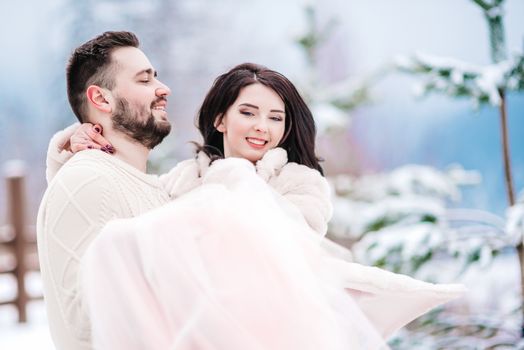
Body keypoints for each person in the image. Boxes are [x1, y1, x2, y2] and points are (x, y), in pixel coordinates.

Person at [47, 63, 466, 349]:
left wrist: (235, 181)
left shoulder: (298, 184)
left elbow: (283, 241)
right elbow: (126, 210)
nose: (262, 127)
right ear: (221, 119)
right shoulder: (180, 181)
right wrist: (71, 148)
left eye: (276, 118)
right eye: (248, 112)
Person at [36, 31, 173, 350]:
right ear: (101, 99)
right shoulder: (89, 181)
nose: (162, 89)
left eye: (157, 77)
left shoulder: (133, 183)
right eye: (144, 80)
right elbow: (87, 326)